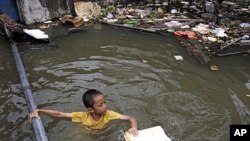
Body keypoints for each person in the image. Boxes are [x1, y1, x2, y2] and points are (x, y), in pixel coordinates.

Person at [29, 89, 138, 136]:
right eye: (101, 105)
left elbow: (131, 118)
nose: (105, 106)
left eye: (105, 102)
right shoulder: (81, 116)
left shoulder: (110, 114)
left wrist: (134, 127)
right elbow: (60, 114)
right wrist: (39, 110)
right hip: (84, 132)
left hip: (103, 134)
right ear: (91, 109)